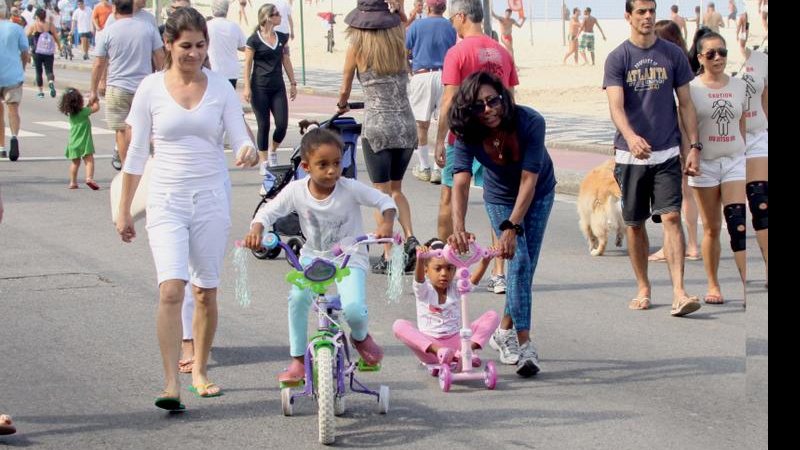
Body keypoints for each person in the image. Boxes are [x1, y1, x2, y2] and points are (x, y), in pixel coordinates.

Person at [117, 6, 258, 409]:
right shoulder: (150, 89)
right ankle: (169, 383)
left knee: (205, 291)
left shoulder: (219, 88)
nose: (193, 53)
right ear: (167, 44)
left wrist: (247, 150)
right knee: (170, 289)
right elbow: (137, 153)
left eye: (200, 46)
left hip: (211, 197)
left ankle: (199, 369)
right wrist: (124, 208)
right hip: (166, 198)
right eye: (185, 46)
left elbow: (238, 135)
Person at [243, 128, 397, 384]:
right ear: (305, 166)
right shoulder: (296, 191)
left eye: (337, 163)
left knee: (354, 309)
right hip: (313, 258)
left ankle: (360, 337)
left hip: (350, 258)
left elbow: (385, 202)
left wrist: (387, 225)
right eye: (323, 165)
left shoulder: (349, 188)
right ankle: (297, 361)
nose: (331, 171)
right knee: (298, 299)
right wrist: (257, 230)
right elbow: (267, 213)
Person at [449, 71, 556, 377]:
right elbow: (460, 178)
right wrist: (459, 225)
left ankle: (504, 330)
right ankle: (525, 346)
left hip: (537, 193)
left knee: (525, 267)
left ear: (503, 98)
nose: (488, 110)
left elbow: (529, 178)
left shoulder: (531, 122)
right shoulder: (468, 131)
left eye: (492, 101)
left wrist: (511, 227)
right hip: (498, 197)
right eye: (478, 106)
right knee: (519, 261)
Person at [603, 0, 702, 317]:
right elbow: (616, 106)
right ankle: (643, 286)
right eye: (641, 12)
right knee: (634, 224)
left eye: (651, 11)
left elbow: (685, 104)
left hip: (667, 152)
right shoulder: (618, 58)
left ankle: (679, 292)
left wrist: (694, 147)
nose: (647, 17)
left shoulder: (672, 54)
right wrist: (631, 138)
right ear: (628, 16)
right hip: (630, 157)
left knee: (672, 217)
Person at [434, 0, 516, 294]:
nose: (451, 23)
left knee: (450, 195)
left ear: (461, 16)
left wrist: (439, 140)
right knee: (497, 202)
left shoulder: (457, 52)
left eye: (452, 18)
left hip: (465, 136)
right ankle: (498, 272)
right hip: (498, 136)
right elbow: (511, 97)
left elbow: (449, 100)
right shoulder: (502, 52)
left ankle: (446, 265)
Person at [337, 0, 420, 274]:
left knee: (380, 193)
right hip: (405, 124)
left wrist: (343, 104)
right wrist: (401, 14)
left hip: (378, 127)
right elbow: (405, 24)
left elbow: (344, 88)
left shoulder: (357, 48)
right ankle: (410, 237)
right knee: (397, 189)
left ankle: (387, 252)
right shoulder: (399, 42)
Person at [686, 28, 747, 304]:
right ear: (700, 57)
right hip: (705, 165)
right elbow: (684, 127)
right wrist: (688, 157)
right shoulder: (691, 88)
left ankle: (748, 286)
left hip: (734, 160)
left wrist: (743, 150)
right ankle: (713, 285)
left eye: (722, 52)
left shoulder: (739, 85)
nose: (718, 58)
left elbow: (742, 121)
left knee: (737, 222)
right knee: (711, 228)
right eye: (711, 53)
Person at [392, 238, 499, 367]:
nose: (444, 274)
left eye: (449, 268)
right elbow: (419, 280)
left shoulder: (456, 288)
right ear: (426, 271)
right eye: (438, 269)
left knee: (492, 316)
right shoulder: (424, 290)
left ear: (455, 270)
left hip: (457, 343)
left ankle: (466, 351)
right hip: (430, 349)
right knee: (399, 325)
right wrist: (420, 259)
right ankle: (441, 352)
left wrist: (486, 260)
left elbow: (473, 281)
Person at [648, 20, 700, 263]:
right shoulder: (688, 62)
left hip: (675, 130)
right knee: (688, 191)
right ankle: (693, 244)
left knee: (671, 193)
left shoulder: (667, 62)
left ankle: (671, 245)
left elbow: (679, 104)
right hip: (692, 130)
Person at [88, 0, 164, 166]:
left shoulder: (109, 31)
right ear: (131, 8)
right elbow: (160, 57)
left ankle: (126, 170)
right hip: (143, 88)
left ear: (114, 9)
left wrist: (94, 89)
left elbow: (99, 62)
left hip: (117, 88)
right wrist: (163, 80)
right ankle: (144, 165)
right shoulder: (148, 28)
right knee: (143, 129)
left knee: (121, 131)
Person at [243, 3, 297, 177]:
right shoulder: (253, 40)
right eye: (276, 15)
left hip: (277, 87)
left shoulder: (282, 37)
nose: (280, 17)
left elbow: (286, 60)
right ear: (267, 17)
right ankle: (264, 161)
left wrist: (293, 83)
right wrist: (246, 86)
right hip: (259, 87)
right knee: (263, 124)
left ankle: (273, 150)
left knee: (282, 124)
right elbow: (248, 64)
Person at [406, 0, 456, 185]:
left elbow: (405, 50)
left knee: (422, 123)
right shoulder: (451, 27)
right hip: (445, 76)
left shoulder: (417, 26)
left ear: (428, 8)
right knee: (443, 121)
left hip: (422, 74)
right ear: (444, 8)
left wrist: (409, 69)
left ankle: (424, 166)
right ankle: (438, 168)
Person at [736, 34, 768, 289]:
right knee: (730, 214)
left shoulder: (761, 60)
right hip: (723, 143)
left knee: (761, 201)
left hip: (757, 137)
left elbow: (766, 100)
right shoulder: (714, 50)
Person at [0, 2, 30, 162]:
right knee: (13, 109)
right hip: (13, 75)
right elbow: (25, 53)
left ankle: (1, 147)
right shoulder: (16, 28)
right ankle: (14, 137)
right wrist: (22, 69)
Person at [59, 87, 100, 189]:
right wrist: (96, 99)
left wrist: (88, 105)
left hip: (73, 143)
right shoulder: (84, 112)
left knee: (75, 163)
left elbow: (86, 110)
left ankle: (73, 182)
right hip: (84, 142)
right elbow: (96, 108)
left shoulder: (72, 114)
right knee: (89, 160)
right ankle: (89, 178)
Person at [207, 0, 246, 89]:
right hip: (231, 72)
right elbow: (243, 47)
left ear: (212, 10)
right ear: (227, 10)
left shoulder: (207, 26)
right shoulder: (234, 27)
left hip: (212, 70)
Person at [26, 8, 61, 99]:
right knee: (49, 70)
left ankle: (41, 92)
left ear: (37, 16)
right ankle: (50, 82)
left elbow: (26, 36)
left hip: (37, 52)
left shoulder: (34, 25)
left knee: (38, 71)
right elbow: (57, 37)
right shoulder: (50, 25)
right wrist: (60, 47)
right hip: (49, 52)